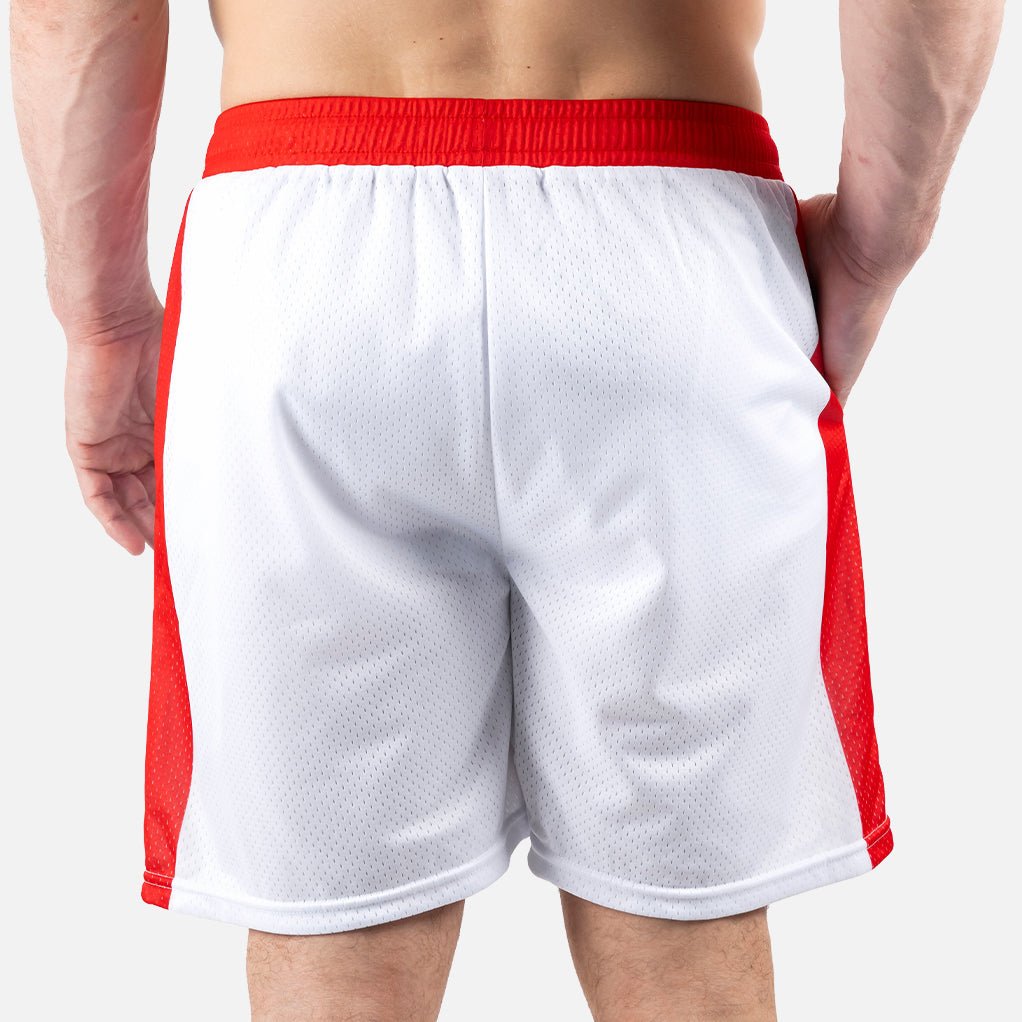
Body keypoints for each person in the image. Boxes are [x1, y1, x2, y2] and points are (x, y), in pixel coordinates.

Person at [9, 0, 1005, 1019]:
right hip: (669, 241)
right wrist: (874, 250)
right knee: (686, 936)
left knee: (338, 938)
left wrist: (104, 321)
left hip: (302, 261)